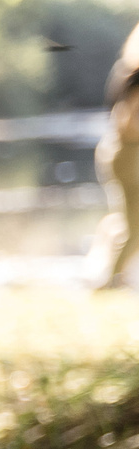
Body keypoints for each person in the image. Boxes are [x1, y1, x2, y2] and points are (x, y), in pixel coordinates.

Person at [94, 29, 138, 287]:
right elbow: (127, 120)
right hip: (126, 153)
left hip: (121, 151)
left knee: (128, 222)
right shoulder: (135, 80)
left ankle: (110, 274)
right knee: (134, 226)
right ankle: (110, 280)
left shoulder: (125, 73)